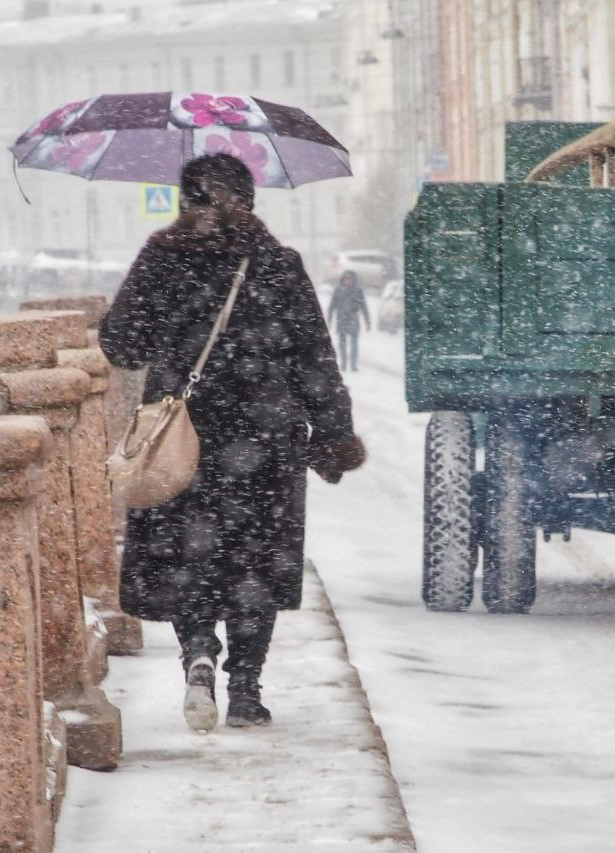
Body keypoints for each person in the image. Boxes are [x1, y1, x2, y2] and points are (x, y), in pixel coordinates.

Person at [99, 153, 366, 731]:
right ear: (250, 200)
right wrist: (334, 433)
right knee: (254, 560)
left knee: (189, 553)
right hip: (265, 439)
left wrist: (160, 302)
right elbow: (316, 358)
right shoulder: (277, 262)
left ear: (183, 201)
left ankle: (198, 654)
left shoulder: (162, 257)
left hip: (182, 439)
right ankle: (247, 688)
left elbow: (121, 346)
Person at [327, 270, 370, 371]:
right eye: (346, 278)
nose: (348, 280)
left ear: (354, 280)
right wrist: (329, 319)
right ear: (343, 279)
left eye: (350, 278)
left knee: (354, 344)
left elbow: (364, 307)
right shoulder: (338, 291)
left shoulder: (358, 291)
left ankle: (353, 365)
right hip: (341, 320)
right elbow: (332, 306)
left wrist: (367, 321)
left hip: (353, 320)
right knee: (342, 344)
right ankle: (344, 364)